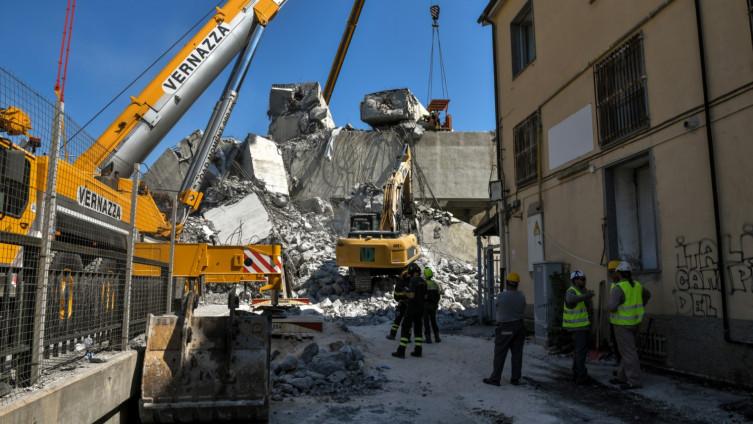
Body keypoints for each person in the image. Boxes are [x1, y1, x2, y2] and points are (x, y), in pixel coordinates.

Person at [608, 261, 651, 390]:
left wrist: (616, 308)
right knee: (627, 351)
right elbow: (648, 295)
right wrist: (640, 305)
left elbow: (611, 307)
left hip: (622, 325)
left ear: (619, 273)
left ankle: (634, 380)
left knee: (628, 353)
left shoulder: (619, 287)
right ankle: (622, 377)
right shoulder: (637, 285)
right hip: (635, 322)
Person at [483, 272, 526, 386]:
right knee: (517, 354)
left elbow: (498, 306)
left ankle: (495, 378)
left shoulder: (502, 296)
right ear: (517, 284)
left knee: (500, 353)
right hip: (519, 327)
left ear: (507, 283)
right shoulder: (521, 296)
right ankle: (515, 378)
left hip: (505, 328)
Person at [563, 270, 594, 385]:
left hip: (583, 326)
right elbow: (571, 299)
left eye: (584, 278)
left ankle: (577, 373)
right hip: (577, 327)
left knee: (579, 352)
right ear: (575, 280)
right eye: (581, 279)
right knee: (580, 352)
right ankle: (581, 376)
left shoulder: (582, 291)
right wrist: (586, 296)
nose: (584, 281)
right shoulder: (571, 291)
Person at [392, 263, 426, 358]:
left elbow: (411, 295)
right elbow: (426, 296)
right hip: (421, 308)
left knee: (406, 327)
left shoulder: (413, 281)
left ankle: (401, 351)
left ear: (411, 272)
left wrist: (406, 293)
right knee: (418, 328)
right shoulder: (423, 281)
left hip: (412, 308)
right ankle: (418, 350)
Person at [387, 270, 411, 340]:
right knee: (408, 322)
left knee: (397, 320)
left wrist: (400, 299)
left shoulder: (400, 283)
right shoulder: (412, 282)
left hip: (402, 304)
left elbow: (396, 295)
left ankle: (392, 335)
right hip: (410, 305)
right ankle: (407, 337)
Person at [607, 260, 622, 365]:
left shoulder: (624, 285)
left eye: (613, 271)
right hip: (614, 320)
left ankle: (623, 369)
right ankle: (619, 365)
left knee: (623, 348)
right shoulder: (613, 285)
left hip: (623, 322)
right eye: (610, 271)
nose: (611, 274)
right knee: (616, 345)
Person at [423, 266, 441, 344]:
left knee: (426, 322)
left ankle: (428, 338)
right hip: (433, 306)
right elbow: (438, 295)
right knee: (433, 321)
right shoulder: (435, 284)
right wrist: (436, 304)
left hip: (425, 306)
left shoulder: (424, 284)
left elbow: (422, 295)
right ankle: (437, 337)